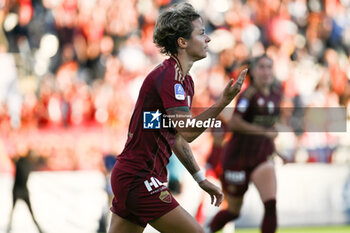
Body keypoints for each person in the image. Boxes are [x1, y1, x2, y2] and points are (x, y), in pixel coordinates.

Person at [107, 3, 247, 233]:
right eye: (201, 33)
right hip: (140, 177)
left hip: (134, 177)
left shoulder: (185, 81)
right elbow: (189, 132)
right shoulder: (168, 77)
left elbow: (178, 139)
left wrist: (200, 179)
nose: (208, 39)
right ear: (182, 42)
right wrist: (223, 101)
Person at [208, 54, 282, 233]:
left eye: (269, 67)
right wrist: (264, 131)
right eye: (262, 67)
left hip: (260, 157)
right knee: (233, 212)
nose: (266, 71)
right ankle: (207, 230)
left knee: (270, 205)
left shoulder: (276, 94)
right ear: (254, 72)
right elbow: (234, 123)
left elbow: (268, 128)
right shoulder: (248, 95)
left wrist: (278, 152)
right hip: (237, 158)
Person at [7, 149, 44, 233]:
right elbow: (12, 159)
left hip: (23, 190)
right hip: (17, 190)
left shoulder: (26, 163)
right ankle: (8, 228)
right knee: (13, 211)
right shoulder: (21, 161)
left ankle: (39, 229)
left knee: (30, 212)